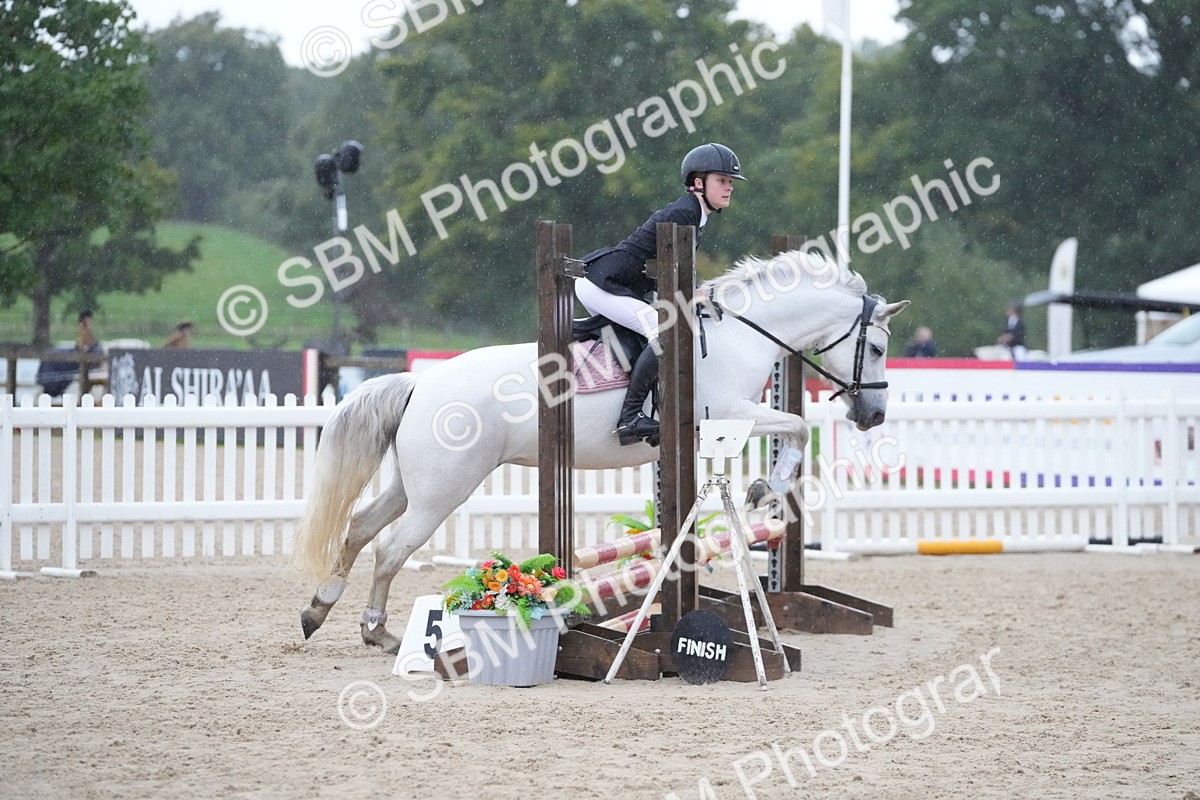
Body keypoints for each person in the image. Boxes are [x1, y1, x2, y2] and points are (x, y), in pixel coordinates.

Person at [575, 142, 746, 446]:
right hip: (603, 283)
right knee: (664, 332)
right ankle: (629, 418)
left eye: (730, 182)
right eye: (721, 180)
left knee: (650, 330)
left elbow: (668, 271)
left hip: (612, 283)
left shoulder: (695, 214)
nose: (729, 187)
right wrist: (696, 293)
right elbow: (675, 272)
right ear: (697, 183)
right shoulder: (684, 213)